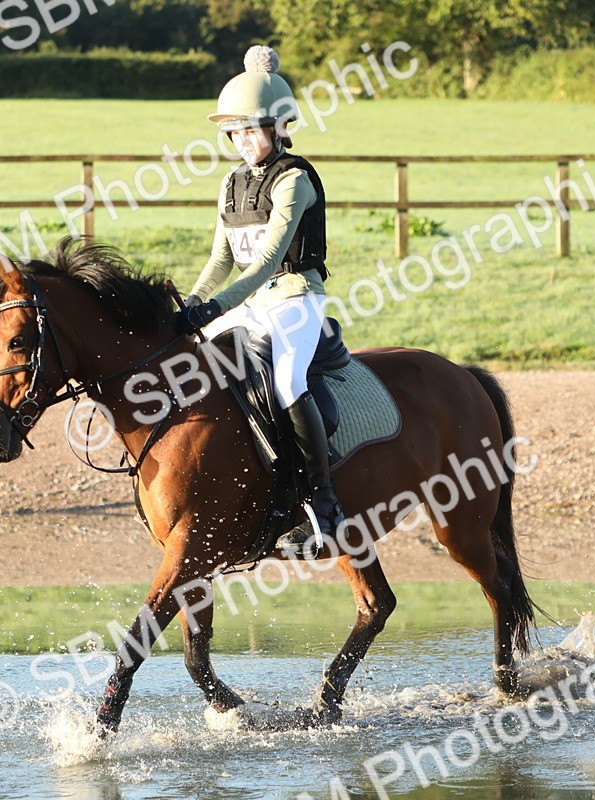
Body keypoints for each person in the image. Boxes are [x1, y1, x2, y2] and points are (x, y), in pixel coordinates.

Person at [176, 45, 344, 555]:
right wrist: (191, 306)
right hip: (246, 302)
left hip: (295, 298)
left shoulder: (295, 179)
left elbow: (269, 261)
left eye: (251, 130)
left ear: (278, 128)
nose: (242, 141)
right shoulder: (230, 183)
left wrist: (216, 307)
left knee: (289, 383)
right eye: (235, 132)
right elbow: (220, 260)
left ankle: (326, 504)